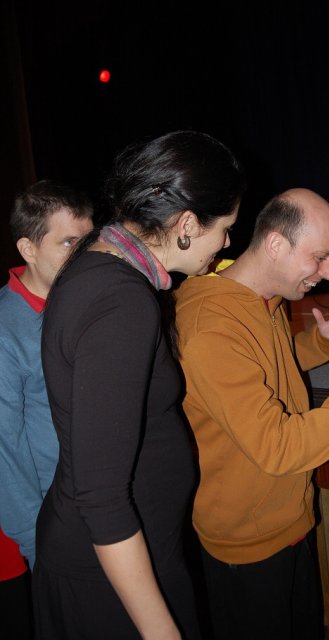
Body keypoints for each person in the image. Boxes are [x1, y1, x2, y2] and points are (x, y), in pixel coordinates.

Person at [174, 188, 329, 640]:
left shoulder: (262, 300)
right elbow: (278, 446)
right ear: (275, 244)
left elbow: (266, 368)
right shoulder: (211, 324)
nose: (328, 273)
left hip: (288, 520)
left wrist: (321, 342)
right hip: (248, 545)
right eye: (320, 258)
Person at [33, 130, 246, 640]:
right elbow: (102, 498)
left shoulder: (99, 265)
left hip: (122, 559)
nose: (227, 244)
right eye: (226, 228)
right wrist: (161, 631)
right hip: (112, 579)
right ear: (187, 225)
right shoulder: (121, 300)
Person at [0, 179, 94, 572]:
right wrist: (37, 542)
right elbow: (5, 450)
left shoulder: (84, 301)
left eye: (88, 241)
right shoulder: (6, 329)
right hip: (58, 522)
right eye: (69, 243)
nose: (85, 255)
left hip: (104, 500)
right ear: (28, 249)